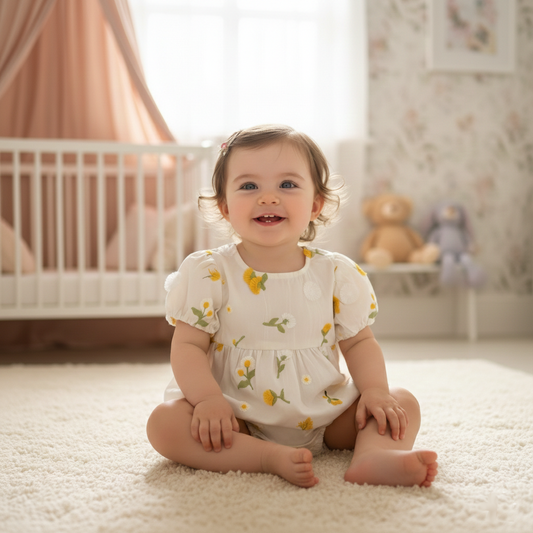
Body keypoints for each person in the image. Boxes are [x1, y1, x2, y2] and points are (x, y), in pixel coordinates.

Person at [146, 124, 438, 488]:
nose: (268, 198)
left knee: (400, 402)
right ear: (224, 207)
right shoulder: (209, 272)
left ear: (315, 204)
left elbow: (359, 343)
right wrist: (206, 400)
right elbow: (188, 346)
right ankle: (266, 457)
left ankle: (373, 457)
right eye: (249, 186)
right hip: (236, 419)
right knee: (165, 424)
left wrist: (375, 390)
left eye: (287, 185)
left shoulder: (335, 272)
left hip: (327, 416)